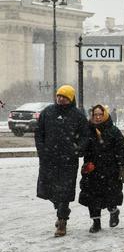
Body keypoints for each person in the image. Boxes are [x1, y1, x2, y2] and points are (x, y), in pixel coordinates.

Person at [35, 85, 90, 237]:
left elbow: (86, 136)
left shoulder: (77, 115)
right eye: (59, 96)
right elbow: (39, 133)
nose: (60, 98)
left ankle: (62, 219)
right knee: (50, 190)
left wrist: (77, 149)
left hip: (68, 161)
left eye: (64, 96)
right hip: (49, 159)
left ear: (70, 98)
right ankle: (60, 207)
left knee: (65, 191)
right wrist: (42, 151)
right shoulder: (48, 112)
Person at [78, 105, 124, 233]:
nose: (98, 117)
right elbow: (82, 148)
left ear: (105, 114)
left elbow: (121, 148)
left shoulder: (113, 131)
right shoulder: (88, 131)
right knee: (92, 197)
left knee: (111, 195)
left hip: (110, 170)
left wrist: (122, 166)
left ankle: (113, 211)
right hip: (92, 170)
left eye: (100, 114)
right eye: (95, 114)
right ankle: (96, 222)